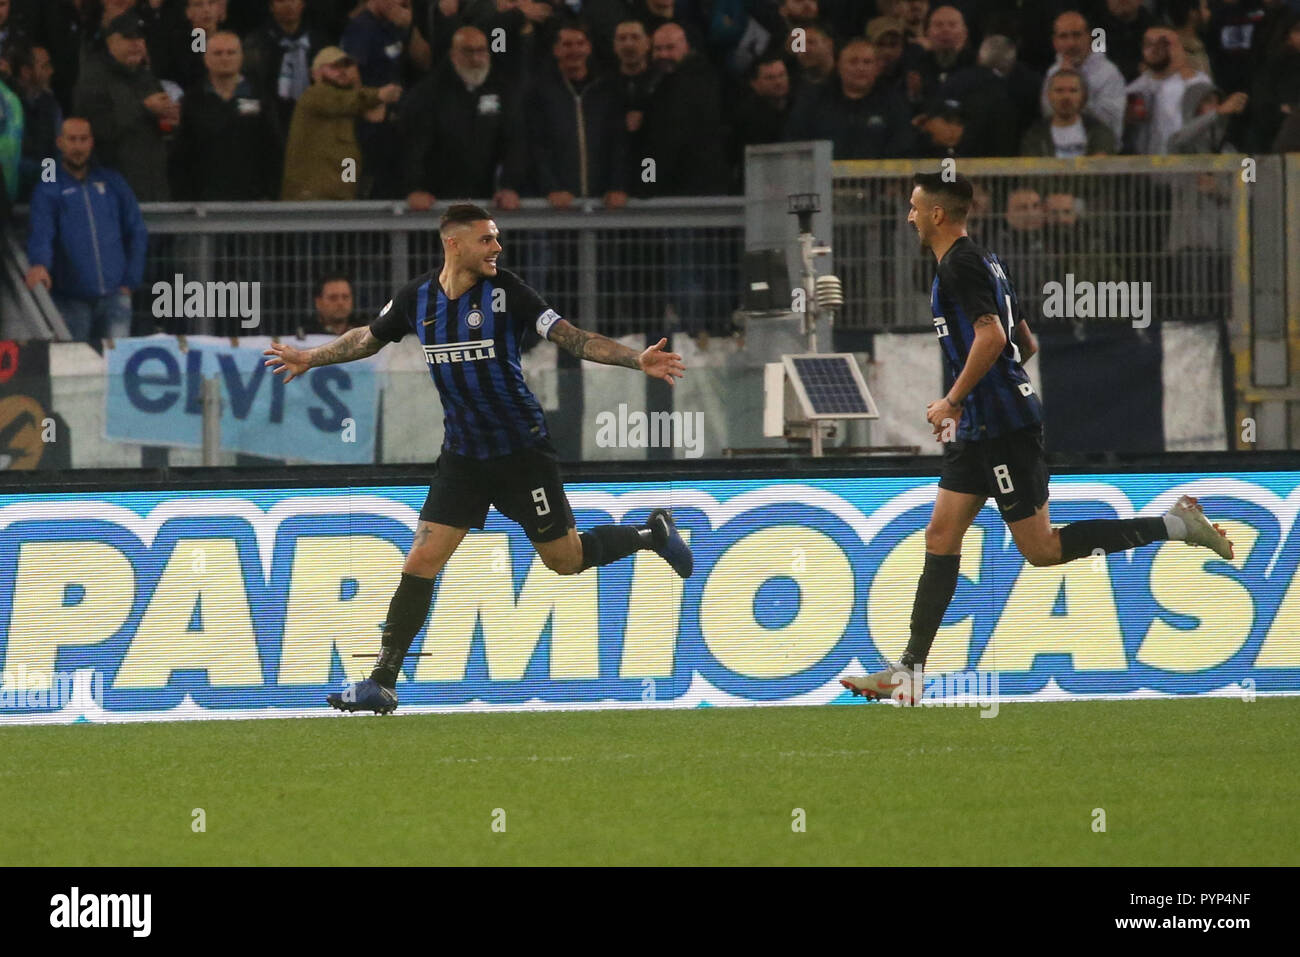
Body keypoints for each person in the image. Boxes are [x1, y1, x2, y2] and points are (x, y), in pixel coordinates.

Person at [263, 203, 694, 715]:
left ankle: (651, 534)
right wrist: (310, 357)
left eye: (497, 239)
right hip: (464, 456)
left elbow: (572, 338)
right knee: (421, 559)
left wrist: (634, 358)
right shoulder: (417, 297)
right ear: (455, 243)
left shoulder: (508, 292)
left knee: (565, 560)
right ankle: (382, 680)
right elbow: (366, 338)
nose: (497, 248)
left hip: (521, 453)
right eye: (487, 240)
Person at [840, 173, 1234, 704]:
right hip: (982, 427)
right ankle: (908, 671)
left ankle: (1177, 524)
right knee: (941, 536)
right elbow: (1025, 341)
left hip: (1001, 430)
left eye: (914, 208)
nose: (908, 216)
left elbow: (995, 336)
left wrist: (957, 398)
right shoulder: (985, 260)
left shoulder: (959, 265)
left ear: (937, 215)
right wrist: (992, 388)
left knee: (1042, 549)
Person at [24, 117, 147, 341]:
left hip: (116, 297)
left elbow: (136, 230)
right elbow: (42, 230)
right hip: (71, 300)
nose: (78, 146)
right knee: (75, 370)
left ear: (91, 143)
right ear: (60, 142)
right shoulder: (49, 186)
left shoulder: (113, 181)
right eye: (72, 140)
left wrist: (131, 280)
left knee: (114, 372)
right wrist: (39, 263)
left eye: (83, 139)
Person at [74, 12, 175, 202]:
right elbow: (96, 129)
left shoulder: (147, 78)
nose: (137, 43)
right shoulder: (94, 79)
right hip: (112, 187)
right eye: (129, 38)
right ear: (111, 42)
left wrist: (171, 121)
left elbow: (163, 129)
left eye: (140, 38)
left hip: (155, 186)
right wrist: (143, 108)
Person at [280, 46, 401, 200]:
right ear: (315, 73)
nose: (342, 71)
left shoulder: (348, 111)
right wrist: (379, 95)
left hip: (339, 197)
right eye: (333, 67)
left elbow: (349, 159)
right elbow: (344, 101)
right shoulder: (314, 95)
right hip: (310, 197)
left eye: (345, 66)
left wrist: (349, 189)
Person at [298, 274, 365, 336]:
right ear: (318, 302)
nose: (340, 302)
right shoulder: (305, 335)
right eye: (333, 298)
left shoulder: (366, 333)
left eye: (345, 297)